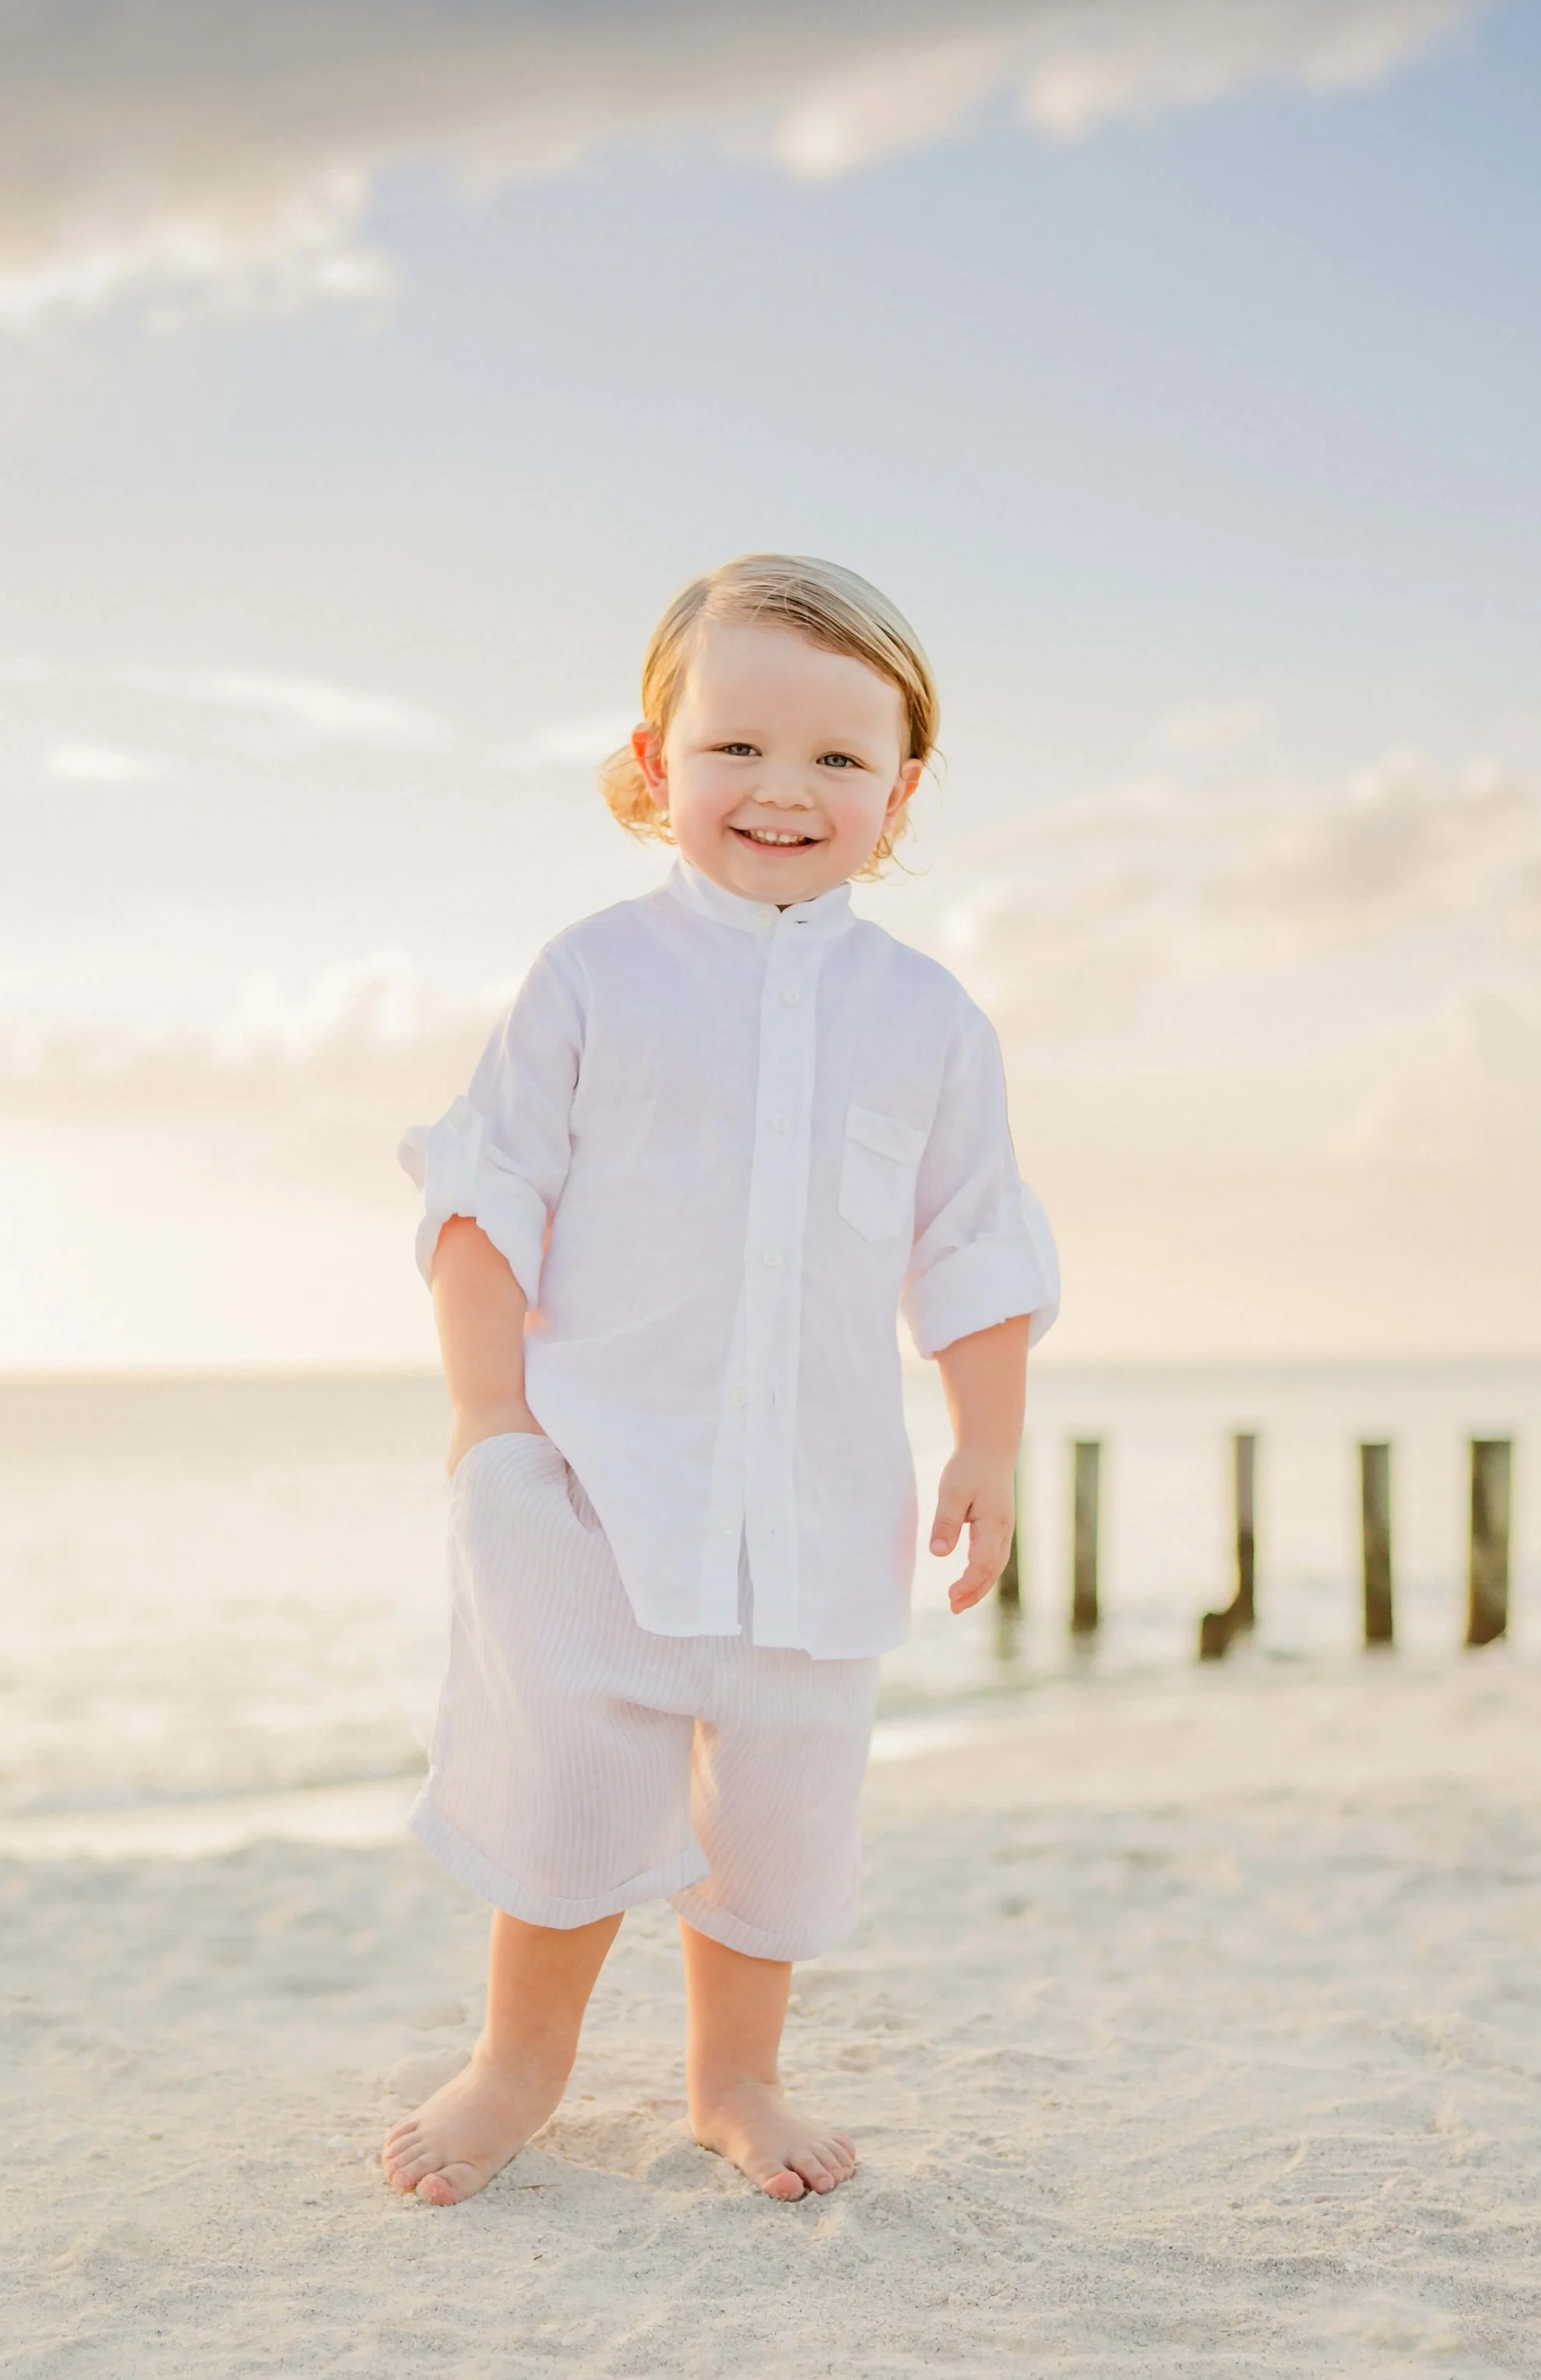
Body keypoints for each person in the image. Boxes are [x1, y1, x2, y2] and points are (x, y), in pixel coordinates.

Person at [384, 553, 1059, 2206]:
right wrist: (487, 1419)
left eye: (838, 758)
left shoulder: (927, 1018)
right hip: (596, 1479)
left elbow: (971, 1243)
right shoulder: (595, 974)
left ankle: (731, 2076)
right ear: (650, 763)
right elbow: (487, 1196)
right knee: (570, 1778)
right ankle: (516, 2064)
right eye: (736, 745)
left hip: (814, 1497)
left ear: (896, 796)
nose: (783, 788)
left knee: (775, 1805)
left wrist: (986, 1442)